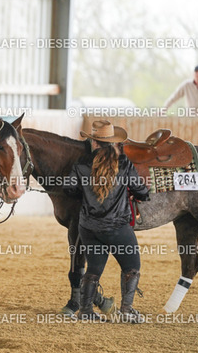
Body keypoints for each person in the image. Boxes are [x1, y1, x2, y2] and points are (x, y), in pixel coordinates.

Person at [64, 120, 150, 323]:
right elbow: (141, 191)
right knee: (132, 267)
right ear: (113, 142)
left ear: (94, 142)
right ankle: (126, 310)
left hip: (88, 228)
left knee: (94, 269)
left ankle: (85, 310)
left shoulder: (81, 164)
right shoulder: (124, 163)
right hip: (117, 228)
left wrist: (85, 193)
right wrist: (141, 192)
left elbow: (69, 189)